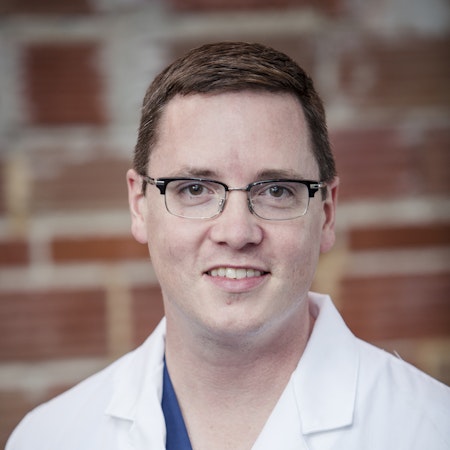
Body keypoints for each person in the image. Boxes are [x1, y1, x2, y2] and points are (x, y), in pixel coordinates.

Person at [7, 41, 449, 450]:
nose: (237, 232)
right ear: (139, 205)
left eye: (276, 191)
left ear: (327, 212)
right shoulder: (50, 438)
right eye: (195, 189)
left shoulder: (430, 429)